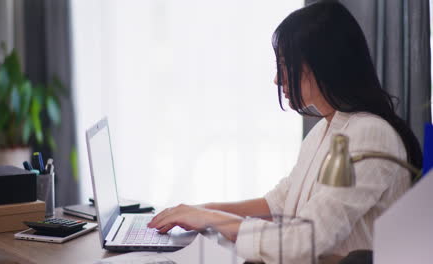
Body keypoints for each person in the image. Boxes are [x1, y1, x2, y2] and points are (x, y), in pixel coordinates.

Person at [147, 1, 422, 263]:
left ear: (320, 65)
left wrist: (211, 219)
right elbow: (279, 202)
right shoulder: (326, 130)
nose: (277, 79)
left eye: (284, 65)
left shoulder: (370, 135)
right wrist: (201, 210)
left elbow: (305, 240)